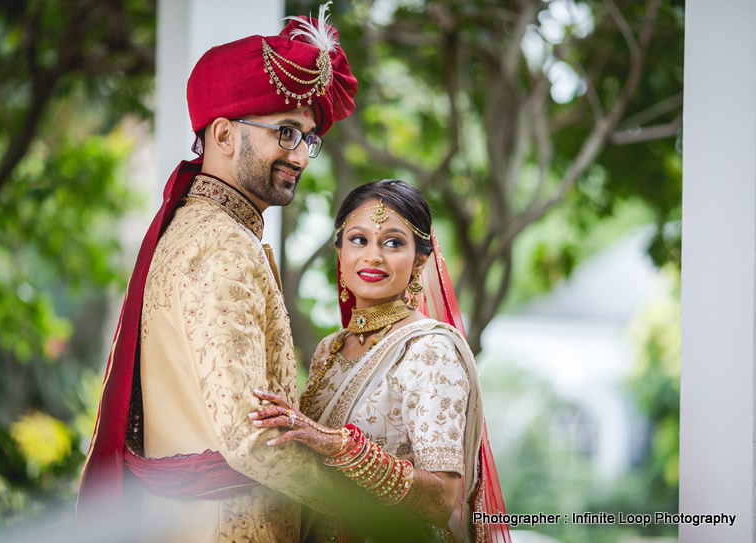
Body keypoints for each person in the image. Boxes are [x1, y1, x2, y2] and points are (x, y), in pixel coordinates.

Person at [76, 5, 358, 542]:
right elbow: (250, 438)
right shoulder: (223, 247)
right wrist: (365, 495)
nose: (300, 156)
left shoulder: (193, 228)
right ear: (224, 135)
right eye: (286, 133)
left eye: (307, 139)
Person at [249, 180, 511, 543]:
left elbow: (440, 501)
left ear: (420, 259)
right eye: (359, 240)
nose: (373, 256)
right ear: (339, 251)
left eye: (393, 242)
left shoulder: (429, 350)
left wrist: (338, 445)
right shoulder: (331, 348)